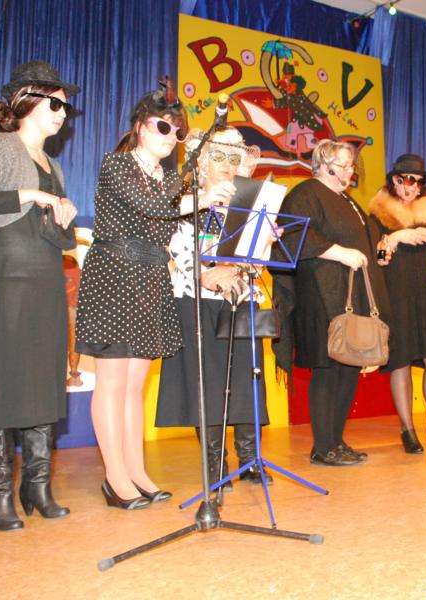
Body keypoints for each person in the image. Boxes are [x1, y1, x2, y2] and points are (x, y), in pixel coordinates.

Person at [75, 78, 223, 509]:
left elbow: (185, 222)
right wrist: (200, 196)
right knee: (112, 382)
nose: (171, 136)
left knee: (134, 386)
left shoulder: (170, 177)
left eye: (178, 131)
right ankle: (115, 478)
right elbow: (155, 208)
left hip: (151, 278)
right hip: (115, 274)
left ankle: (136, 472)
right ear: (140, 126)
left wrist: (217, 200)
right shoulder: (117, 165)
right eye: (163, 127)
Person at [0, 60, 79, 530]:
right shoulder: (0, 146)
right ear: (28, 101)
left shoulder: (55, 164)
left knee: (46, 376)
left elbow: (60, 237)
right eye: (56, 104)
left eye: (66, 107)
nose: (63, 114)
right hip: (11, 272)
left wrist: (63, 211)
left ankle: (37, 485)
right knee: (3, 378)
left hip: (47, 274)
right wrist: (30, 194)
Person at [156, 127, 271, 500]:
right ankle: (216, 464)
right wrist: (207, 275)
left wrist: (247, 260)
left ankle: (250, 459)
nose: (227, 164)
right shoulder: (185, 201)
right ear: (203, 162)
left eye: (234, 158)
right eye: (218, 156)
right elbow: (174, 248)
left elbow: (260, 257)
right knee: (205, 382)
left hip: (240, 298)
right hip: (197, 300)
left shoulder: (249, 205)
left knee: (246, 378)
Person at [272, 139, 389, 466]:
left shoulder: (347, 200)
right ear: (323, 164)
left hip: (347, 296)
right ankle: (323, 447)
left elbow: (362, 241)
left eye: (352, 165)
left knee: (348, 366)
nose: (351, 171)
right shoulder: (305, 193)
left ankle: (337, 441)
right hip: (320, 295)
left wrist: (378, 253)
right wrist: (339, 253)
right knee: (327, 368)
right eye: (344, 165)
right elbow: (293, 235)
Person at [368, 154, 426, 453]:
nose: (413, 187)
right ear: (395, 180)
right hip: (396, 295)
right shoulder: (378, 215)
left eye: (418, 182)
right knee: (400, 361)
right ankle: (407, 429)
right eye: (408, 180)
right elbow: (377, 260)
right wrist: (395, 239)